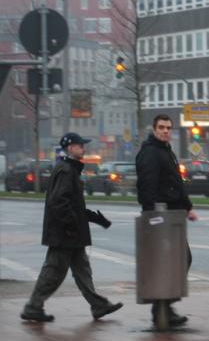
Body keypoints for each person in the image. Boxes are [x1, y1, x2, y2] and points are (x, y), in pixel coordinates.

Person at [20, 133, 123, 323]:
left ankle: (99, 305)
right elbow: (59, 202)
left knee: (83, 270)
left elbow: (74, 204)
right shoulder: (67, 170)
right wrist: (70, 227)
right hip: (64, 234)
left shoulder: (70, 169)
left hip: (71, 234)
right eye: (80, 146)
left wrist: (96, 219)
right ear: (70, 148)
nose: (83, 148)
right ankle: (33, 307)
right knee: (53, 271)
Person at [136, 114, 197, 326]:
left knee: (179, 260)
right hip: (161, 218)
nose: (165, 131)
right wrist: (152, 215)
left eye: (168, 128)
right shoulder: (151, 153)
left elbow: (175, 183)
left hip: (171, 217)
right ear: (154, 129)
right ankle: (162, 308)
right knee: (177, 260)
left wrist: (187, 207)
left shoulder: (165, 151)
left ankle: (164, 306)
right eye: (161, 127)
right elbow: (147, 187)